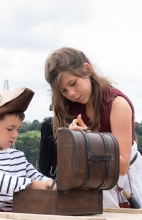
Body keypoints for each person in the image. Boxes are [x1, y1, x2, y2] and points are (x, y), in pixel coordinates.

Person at [44, 47, 142, 208]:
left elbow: (122, 166)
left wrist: (87, 139)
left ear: (87, 70)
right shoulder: (68, 107)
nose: (72, 93)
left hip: (126, 183)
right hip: (91, 180)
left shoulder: (117, 104)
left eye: (73, 83)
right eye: (64, 90)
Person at [39, 115, 57, 180]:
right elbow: (45, 154)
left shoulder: (48, 125)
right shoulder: (49, 125)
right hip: (53, 174)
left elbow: (44, 155)